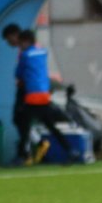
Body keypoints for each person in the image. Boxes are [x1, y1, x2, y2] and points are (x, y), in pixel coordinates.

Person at [15, 30, 77, 164]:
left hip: (32, 96)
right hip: (44, 95)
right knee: (51, 126)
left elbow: (19, 74)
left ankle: (21, 156)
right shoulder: (42, 52)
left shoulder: (25, 55)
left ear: (25, 41)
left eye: (20, 43)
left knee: (24, 126)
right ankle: (71, 150)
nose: (19, 46)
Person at [1, 24, 31, 164]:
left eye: (8, 39)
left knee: (22, 120)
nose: (9, 43)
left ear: (14, 35)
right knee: (19, 120)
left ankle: (23, 153)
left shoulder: (27, 50)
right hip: (24, 89)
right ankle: (24, 151)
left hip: (27, 90)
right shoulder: (22, 50)